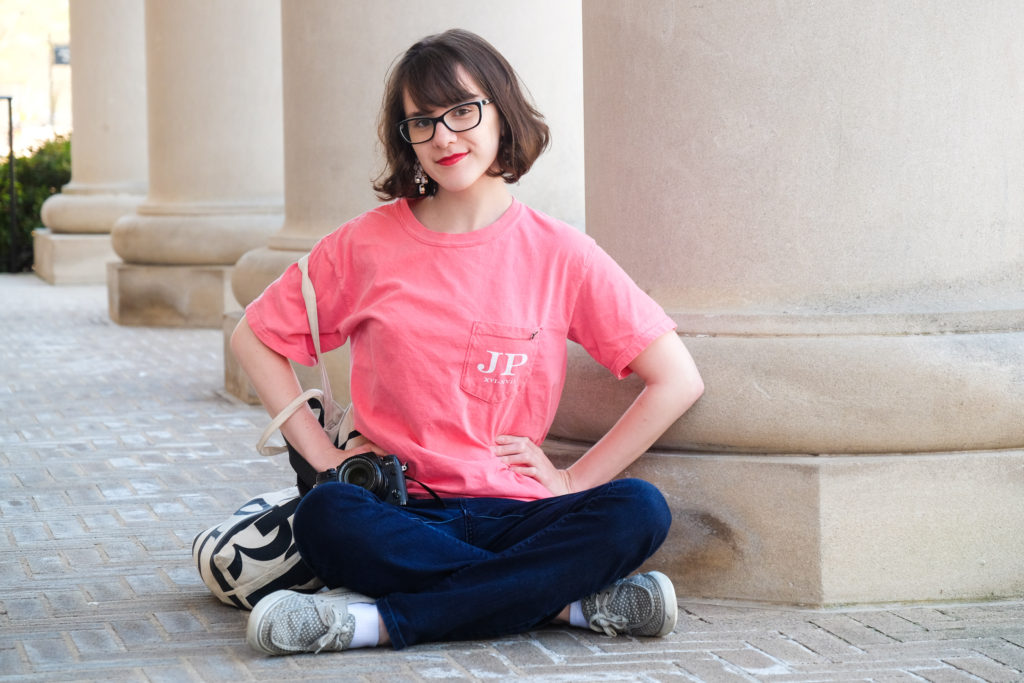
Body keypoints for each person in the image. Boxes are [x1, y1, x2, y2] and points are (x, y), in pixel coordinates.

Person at [230, 28, 704, 655]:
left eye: (462, 111)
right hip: (402, 512)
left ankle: (371, 623)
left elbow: (677, 378)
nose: (444, 137)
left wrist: (571, 481)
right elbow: (256, 336)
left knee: (639, 509)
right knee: (327, 515)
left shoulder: (562, 254)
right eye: (421, 122)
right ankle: (563, 605)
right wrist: (325, 460)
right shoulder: (363, 246)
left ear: (502, 113)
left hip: (521, 516)